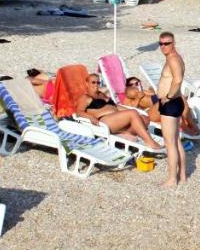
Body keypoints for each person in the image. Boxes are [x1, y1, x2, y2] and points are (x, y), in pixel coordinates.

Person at [78, 72, 163, 150]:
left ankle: (127, 133)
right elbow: (79, 112)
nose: (96, 84)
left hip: (116, 119)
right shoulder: (86, 97)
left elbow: (116, 106)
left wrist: (136, 111)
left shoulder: (101, 94)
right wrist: (91, 118)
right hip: (104, 121)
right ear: (87, 84)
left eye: (98, 82)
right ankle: (149, 142)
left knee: (144, 118)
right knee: (132, 113)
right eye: (93, 82)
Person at [153, 32, 187, 187]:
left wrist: (168, 96)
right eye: (161, 44)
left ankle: (172, 179)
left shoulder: (173, 59)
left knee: (169, 143)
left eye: (166, 43)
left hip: (171, 104)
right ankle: (183, 175)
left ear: (174, 43)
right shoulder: (175, 57)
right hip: (176, 102)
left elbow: (178, 79)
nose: (163, 47)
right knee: (176, 140)